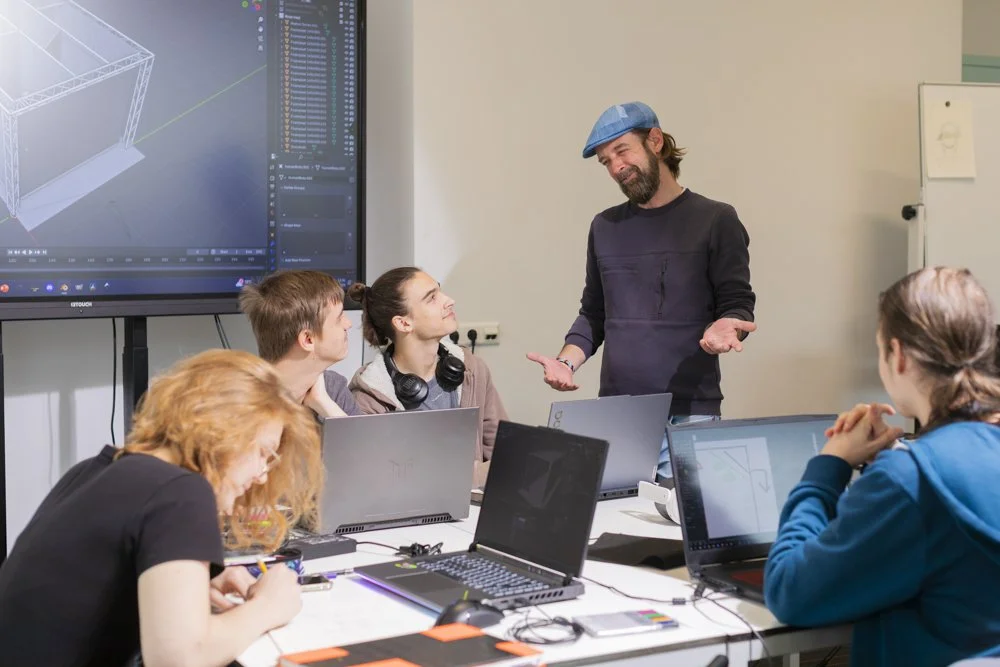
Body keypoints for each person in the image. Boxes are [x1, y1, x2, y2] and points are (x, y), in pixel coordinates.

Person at [0, 349, 324, 667]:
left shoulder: (94, 469)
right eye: (264, 453)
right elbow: (179, 659)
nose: (263, 474)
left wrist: (191, 583)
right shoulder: (181, 490)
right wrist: (267, 607)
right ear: (225, 432)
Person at [764, 267, 1000, 665]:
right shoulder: (921, 470)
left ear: (898, 355)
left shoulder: (911, 479)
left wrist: (830, 464)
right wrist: (895, 463)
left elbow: (789, 591)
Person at [526, 101, 757, 480]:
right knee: (615, 515)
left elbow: (737, 303)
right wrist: (566, 362)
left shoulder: (716, 219)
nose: (616, 167)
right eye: (606, 161)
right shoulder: (605, 226)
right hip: (619, 413)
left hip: (689, 413)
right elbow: (594, 314)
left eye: (622, 151)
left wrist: (728, 324)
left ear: (655, 141)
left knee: (682, 515)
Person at [347, 268, 507, 487]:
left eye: (440, 292)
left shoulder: (472, 369)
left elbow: (504, 452)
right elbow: (389, 484)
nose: (449, 301)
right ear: (403, 323)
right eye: (432, 298)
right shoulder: (369, 399)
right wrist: (478, 475)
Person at [240, 269, 360, 418]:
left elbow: (366, 435)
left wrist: (326, 405)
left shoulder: (333, 389)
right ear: (308, 339)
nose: (348, 324)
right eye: (339, 318)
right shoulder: (239, 404)